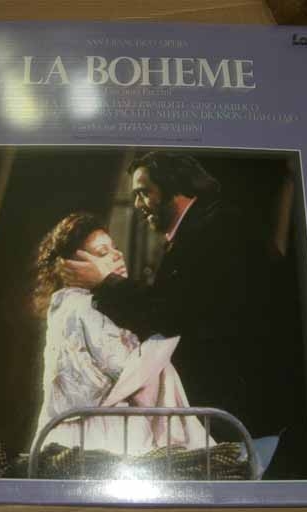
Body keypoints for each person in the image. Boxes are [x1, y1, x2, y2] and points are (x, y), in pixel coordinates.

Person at [61, 152, 254, 442]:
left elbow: (170, 313)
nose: (138, 204)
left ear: (174, 187)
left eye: (144, 193)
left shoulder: (212, 229)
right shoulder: (196, 229)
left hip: (235, 404)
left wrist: (106, 282)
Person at [32, 212, 212, 455]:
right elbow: (126, 369)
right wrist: (163, 341)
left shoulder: (79, 305)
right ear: (74, 267)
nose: (118, 255)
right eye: (102, 253)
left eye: (115, 248)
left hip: (93, 435)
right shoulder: (79, 306)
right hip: (96, 440)